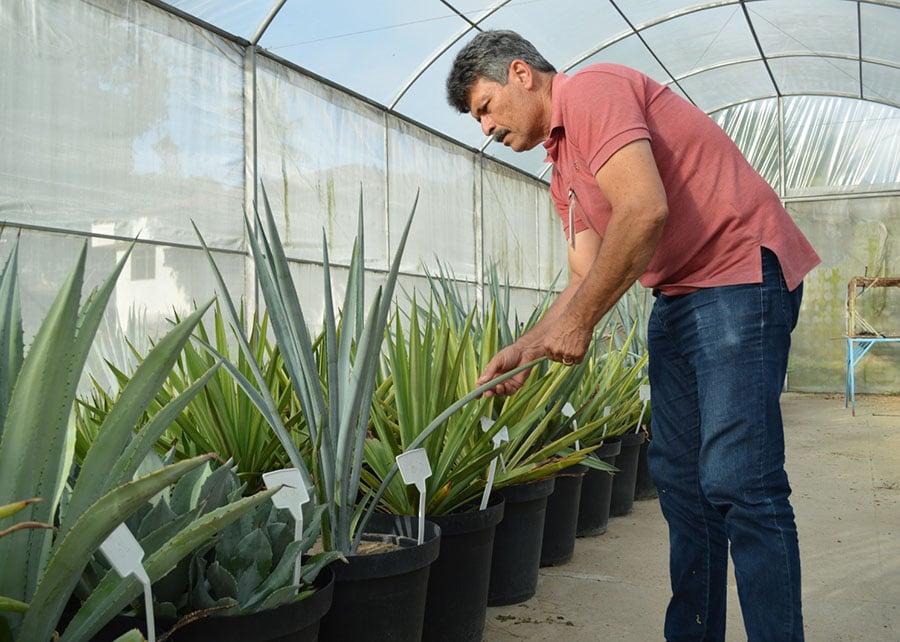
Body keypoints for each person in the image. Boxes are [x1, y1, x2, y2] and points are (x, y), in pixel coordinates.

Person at [446, 30, 820, 641]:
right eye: (476, 120)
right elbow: (583, 277)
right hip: (677, 293)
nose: (485, 128)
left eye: (485, 108)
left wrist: (580, 323)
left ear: (521, 73)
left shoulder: (592, 91)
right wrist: (527, 348)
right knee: (680, 481)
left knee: (739, 479)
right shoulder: (561, 168)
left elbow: (644, 209)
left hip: (737, 273)